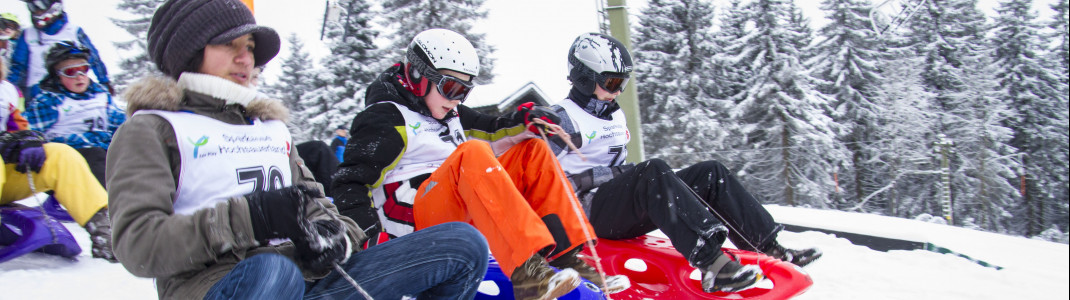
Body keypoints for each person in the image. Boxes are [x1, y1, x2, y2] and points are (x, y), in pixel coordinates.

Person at [107, 1, 488, 299]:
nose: (246, 59)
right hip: (223, 287)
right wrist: (251, 218)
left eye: (250, 47)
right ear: (189, 52)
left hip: (311, 283)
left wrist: (334, 236)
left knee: (463, 244)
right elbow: (137, 245)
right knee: (274, 272)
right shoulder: (154, 130)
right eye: (229, 45)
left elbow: (319, 206)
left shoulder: (270, 130)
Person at [331, 28, 627, 299]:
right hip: (412, 223)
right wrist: (370, 238)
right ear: (418, 76)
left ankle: (565, 255)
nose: (457, 100)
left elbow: (493, 127)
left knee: (532, 150)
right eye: (451, 89)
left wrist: (525, 119)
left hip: (457, 206)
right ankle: (527, 271)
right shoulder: (386, 118)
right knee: (472, 154)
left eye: (464, 91)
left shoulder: (448, 113)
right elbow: (350, 182)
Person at [547, 33, 823, 293]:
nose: (618, 91)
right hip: (584, 214)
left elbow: (617, 170)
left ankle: (770, 247)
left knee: (711, 172)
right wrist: (610, 176)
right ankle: (712, 264)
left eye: (622, 83)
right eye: (612, 83)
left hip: (611, 203)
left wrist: (622, 175)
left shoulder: (612, 114)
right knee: (652, 171)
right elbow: (541, 180)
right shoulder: (561, 119)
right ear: (584, 78)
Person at [0, 59, 114, 261]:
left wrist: (25, 139)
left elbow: (18, 126)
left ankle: (104, 233)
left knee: (61, 155)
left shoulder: (7, 90)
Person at [25, 41, 124, 188]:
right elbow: (29, 131)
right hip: (70, 161)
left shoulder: (100, 94)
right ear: (57, 76)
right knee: (95, 155)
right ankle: (108, 204)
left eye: (83, 69)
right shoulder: (49, 101)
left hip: (105, 152)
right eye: (71, 72)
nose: (79, 77)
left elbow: (119, 122)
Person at [7, 0, 112, 103]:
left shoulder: (73, 32)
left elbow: (94, 58)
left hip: (70, 89)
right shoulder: (28, 34)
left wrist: (104, 81)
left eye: (40, 6)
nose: (36, 11)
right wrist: (6, 88)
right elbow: (17, 66)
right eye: (32, 7)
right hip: (37, 93)